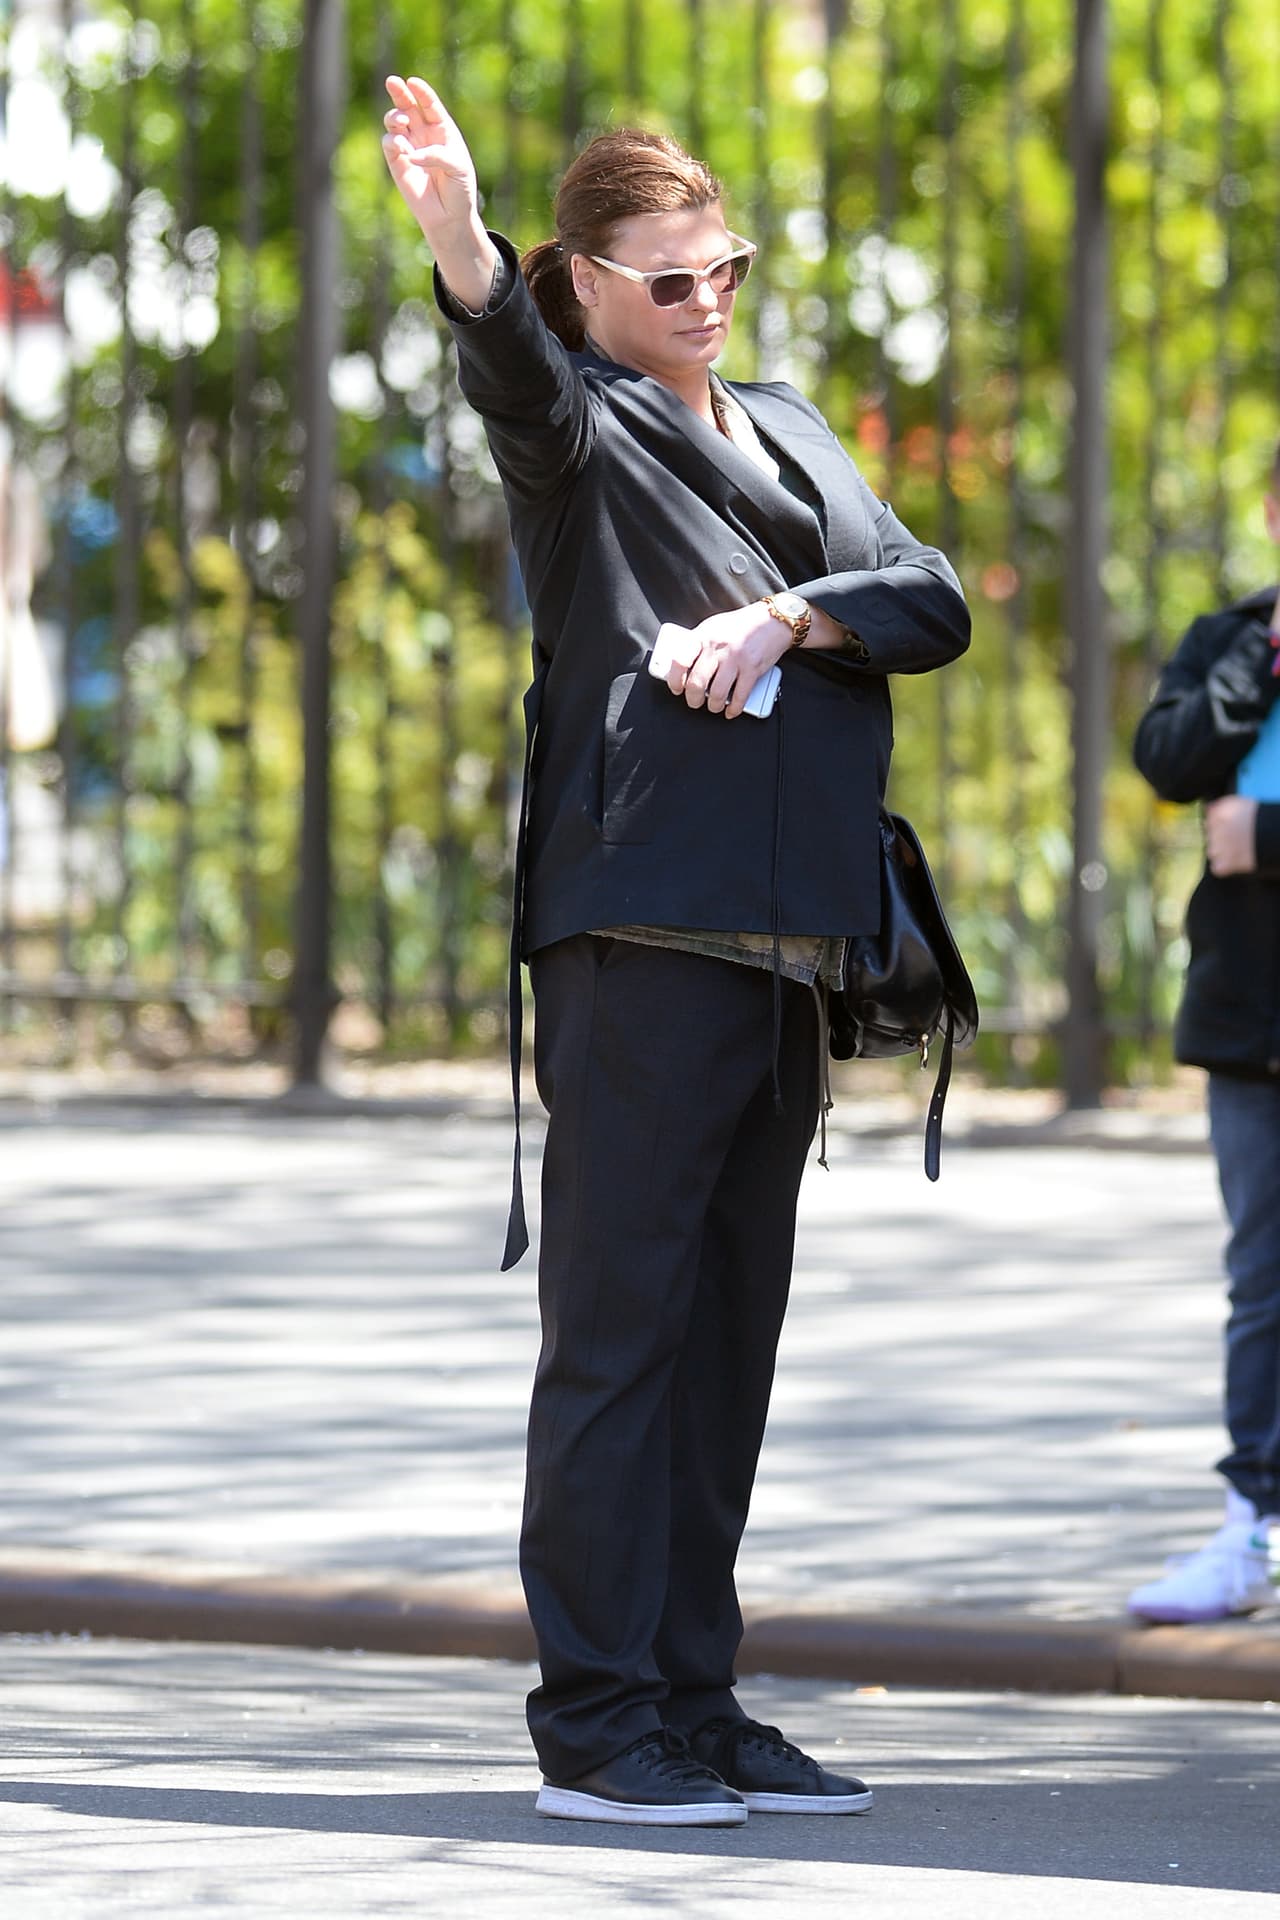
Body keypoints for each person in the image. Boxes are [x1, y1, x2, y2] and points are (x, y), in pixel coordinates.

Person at [382, 76, 970, 1824]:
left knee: (729, 1339)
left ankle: (699, 1705)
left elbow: (924, 596)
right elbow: (506, 370)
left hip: (796, 950)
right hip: (639, 936)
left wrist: (791, 613)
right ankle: (598, 1726)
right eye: (666, 280)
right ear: (590, 288)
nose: (704, 300)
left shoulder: (789, 426)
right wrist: (459, 243)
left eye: (723, 269)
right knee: (621, 1340)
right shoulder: (580, 427)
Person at [1129, 445, 1280, 1624]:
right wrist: (1256, 658)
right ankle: (1251, 1531)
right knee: (1262, 1281)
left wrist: (1264, 838)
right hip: (1250, 1017)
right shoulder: (1229, 639)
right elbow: (1169, 760)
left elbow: (1238, 825)